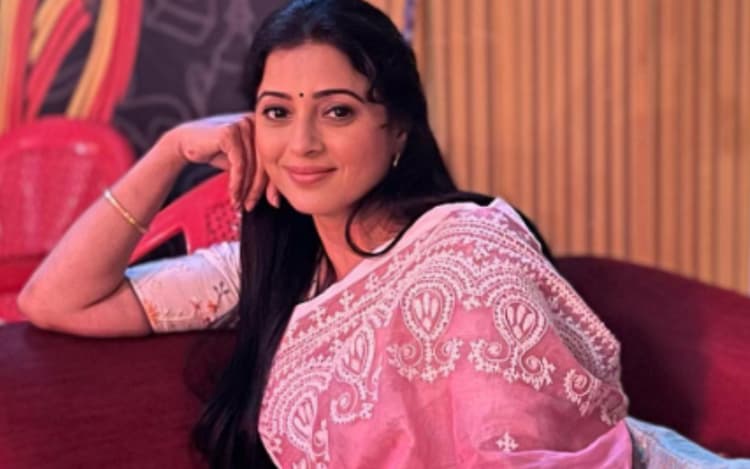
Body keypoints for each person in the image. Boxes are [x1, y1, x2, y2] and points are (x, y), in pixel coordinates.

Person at [19, 1, 739, 468]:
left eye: (337, 111)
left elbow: (531, 452)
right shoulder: (273, 271)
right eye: (277, 112)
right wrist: (170, 150)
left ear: (396, 129)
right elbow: (55, 301)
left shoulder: (465, 251)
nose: (302, 143)